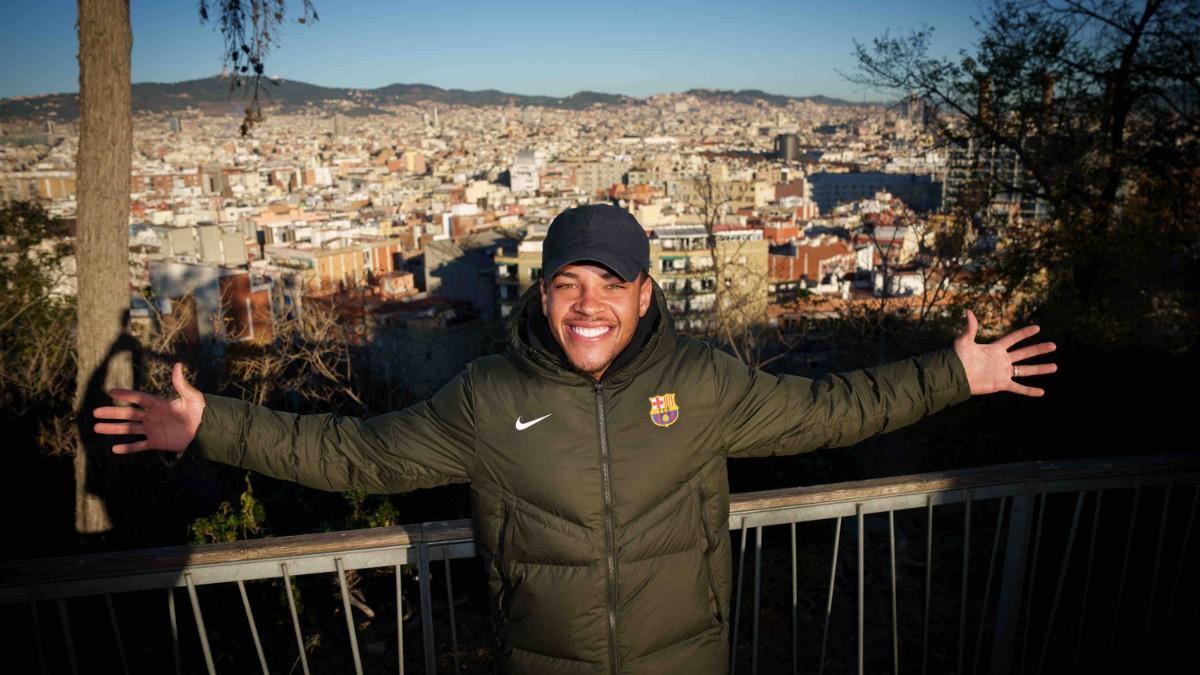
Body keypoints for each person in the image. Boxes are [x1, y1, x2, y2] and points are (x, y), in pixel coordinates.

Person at [94, 204, 1056, 674]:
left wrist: (953, 372)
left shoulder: (703, 383)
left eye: (610, 285)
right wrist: (210, 422)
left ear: (646, 294)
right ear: (544, 293)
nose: (588, 305)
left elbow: (832, 411)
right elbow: (356, 457)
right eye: (568, 284)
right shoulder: (489, 394)